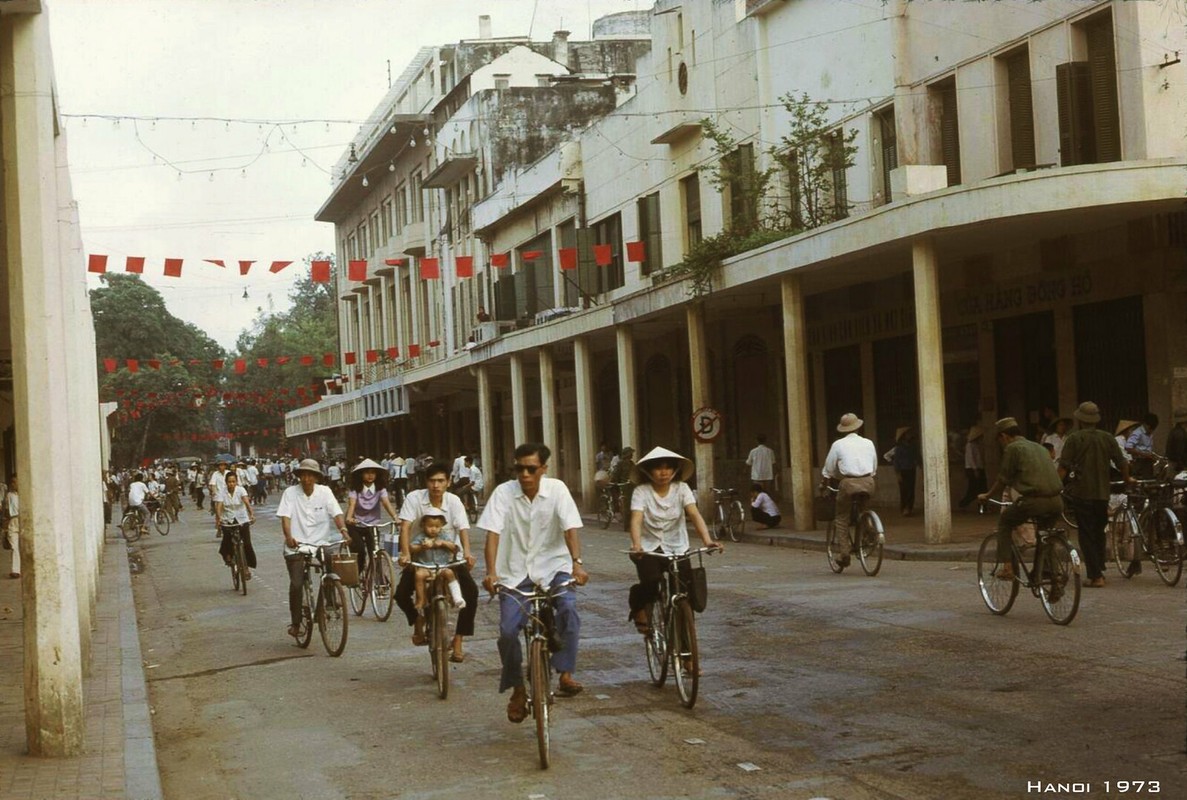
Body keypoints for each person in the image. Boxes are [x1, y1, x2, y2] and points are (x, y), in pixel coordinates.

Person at [479, 442, 588, 723]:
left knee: (568, 609)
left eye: (531, 469)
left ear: (543, 469)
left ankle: (564, 673)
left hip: (554, 566)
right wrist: (491, 572)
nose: (524, 474)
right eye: (519, 468)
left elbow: (570, 529)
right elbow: (492, 535)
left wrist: (577, 564)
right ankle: (517, 689)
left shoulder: (558, 490)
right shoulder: (503, 493)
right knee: (506, 631)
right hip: (514, 573)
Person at [627, 446, 720, 635]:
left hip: (678, 546)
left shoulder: (682, 488)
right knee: (651, 583)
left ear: (675, 470)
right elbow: (636, 520)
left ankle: (687, 658)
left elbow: (694, 514)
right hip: (649, 548)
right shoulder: (641, 491)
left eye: (668, 468)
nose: (664, 473)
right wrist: (636, 545)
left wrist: (707, 540)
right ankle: (638, 606)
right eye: (658, 468)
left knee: (686, 597)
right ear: (648, 471)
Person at [396, 461, 478, 662]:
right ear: (426, 482)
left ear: (448, 482)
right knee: (400, 595)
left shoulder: (454, 501)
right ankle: (418, 619)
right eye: (432, 481)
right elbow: (405, 527)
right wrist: (405, 553)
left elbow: (462, 529)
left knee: (472, 593)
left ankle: (458, 639)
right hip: (419, 558)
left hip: (449, 559)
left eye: (441, 481)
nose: (436, 485)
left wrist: (467, 553)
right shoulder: (414, 498)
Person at [977, 417, 1064, 583]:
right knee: (1045, 534)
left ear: (1004, 436)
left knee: (1005, 522)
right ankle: (1047, 572)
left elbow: (1003, 478)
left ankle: (1008, 567)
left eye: (1000, 440)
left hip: (1034, 501)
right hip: (1056, 501)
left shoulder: (1013, 448)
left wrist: (987, 495)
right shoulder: (1038, 447)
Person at [276, 458, 352, 639]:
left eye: (310, 475)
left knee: (331, 562)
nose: (306, 479)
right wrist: (288, 537)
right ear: (299, 476)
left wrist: (344, 531)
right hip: (297, 544)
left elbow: (336, 513)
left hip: (320, 542)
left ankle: (329, 601)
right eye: (303, 475)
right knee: (296, 584)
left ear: (317, 477)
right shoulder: (290, 493)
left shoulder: (325, 492)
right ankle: (296, 623)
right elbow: (285, 518)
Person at [1059, 401, 1131, 587]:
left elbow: (1063, 467)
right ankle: (1099, 568)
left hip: (1082, 493)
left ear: (1080, 420)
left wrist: (1056, 486)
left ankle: (1095, 575)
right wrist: (1127, 480)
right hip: (1102, 494)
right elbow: (1122, 462)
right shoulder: (1107, 438)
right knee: (1099, 531)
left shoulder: (1074, 439)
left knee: (1086, 533)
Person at [820, 413, 877, 569]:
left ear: (843, 429)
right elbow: (874, 466)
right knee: (864, 508)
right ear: (858, 427)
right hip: (868, 481)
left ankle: (844, 553)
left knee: (841, 517)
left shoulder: (838, 444)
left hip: (848, 483)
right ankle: (870, 529)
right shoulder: (869, 443)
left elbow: (829, 468)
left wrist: (825, 481)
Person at [344, 458, 400, 577]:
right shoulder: (355, 489)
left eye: (373, 472)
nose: (370, 475)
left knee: (374, 551)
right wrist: (349, 517)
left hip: (372, 524)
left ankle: (380, 577)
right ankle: (357, 575)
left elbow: (386, 503)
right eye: (367, 472)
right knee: (360, 550)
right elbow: (352, 504)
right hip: (355, 523)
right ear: (361, 474)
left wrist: (396, 517)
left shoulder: (380, 489)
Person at [410, 508, 466, 612]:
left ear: (441, 527)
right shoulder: (421, 537)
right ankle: (421, 599)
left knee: (450, 573)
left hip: (442, 566)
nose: (433, 529)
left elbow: (455, 548)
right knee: (419, 575)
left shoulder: (444, 536)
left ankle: (457, 597)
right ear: (423, 525)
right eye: (430, 526)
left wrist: (443, 543)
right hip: (426, 567)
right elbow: (411, 548)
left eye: (437, 527)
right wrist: (422, 547)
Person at [214, 471, 257, 579]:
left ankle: (246, 568)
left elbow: (246, 502)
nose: (231, 484)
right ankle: (229, 557)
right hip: (228, 519)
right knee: (227, 538)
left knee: (247, 543)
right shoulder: (222, 492)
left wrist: (251, 514)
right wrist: (218, 519)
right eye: (229, 482)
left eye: (233, 482)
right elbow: (219, 506)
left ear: (236, 482)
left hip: (242, 518)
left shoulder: (241, 490)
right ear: (226, 482)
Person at [884, 426, 919, 516]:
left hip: (911, 469)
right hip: (903, 471)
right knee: (904, 490)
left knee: (911, 490)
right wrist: (898, 474)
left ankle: (909, 508)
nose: (910, 435)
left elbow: (917, 457)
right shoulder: (899, 448)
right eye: (908, 434)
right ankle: (904, 508)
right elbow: (896, 462)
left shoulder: (912, 447)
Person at [959, 426, 987, 509]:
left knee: (982, 489)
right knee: (973, 490)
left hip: (979, 468)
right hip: (973, 469)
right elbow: (971, 459)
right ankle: (963, 504)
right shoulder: (970, 445)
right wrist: (975, 470)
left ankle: (982, 507)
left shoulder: (976, 445)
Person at [1125, 413, 1160, 479]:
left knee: (1149, 480)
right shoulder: (1137, 433)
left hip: (1148, 461)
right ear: (1145, 424)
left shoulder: (1150, 433)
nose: (1151, 430)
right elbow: (1128, 447)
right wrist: (1143, 454)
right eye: (1150, 428)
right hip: (1139, 461)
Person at [5, 475, 18, 578]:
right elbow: (6, 510)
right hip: (13, 521)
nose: (14, 484)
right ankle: (15, 570)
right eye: (12, 482)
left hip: (24, 521)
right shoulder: (9, 495)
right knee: (14, 546)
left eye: (15, 482)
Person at [1166, 410, 1187, 474]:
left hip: (1173, 465)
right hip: (1178, 466)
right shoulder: (1181, 434)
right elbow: (1180, 453)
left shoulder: (1174, 431)